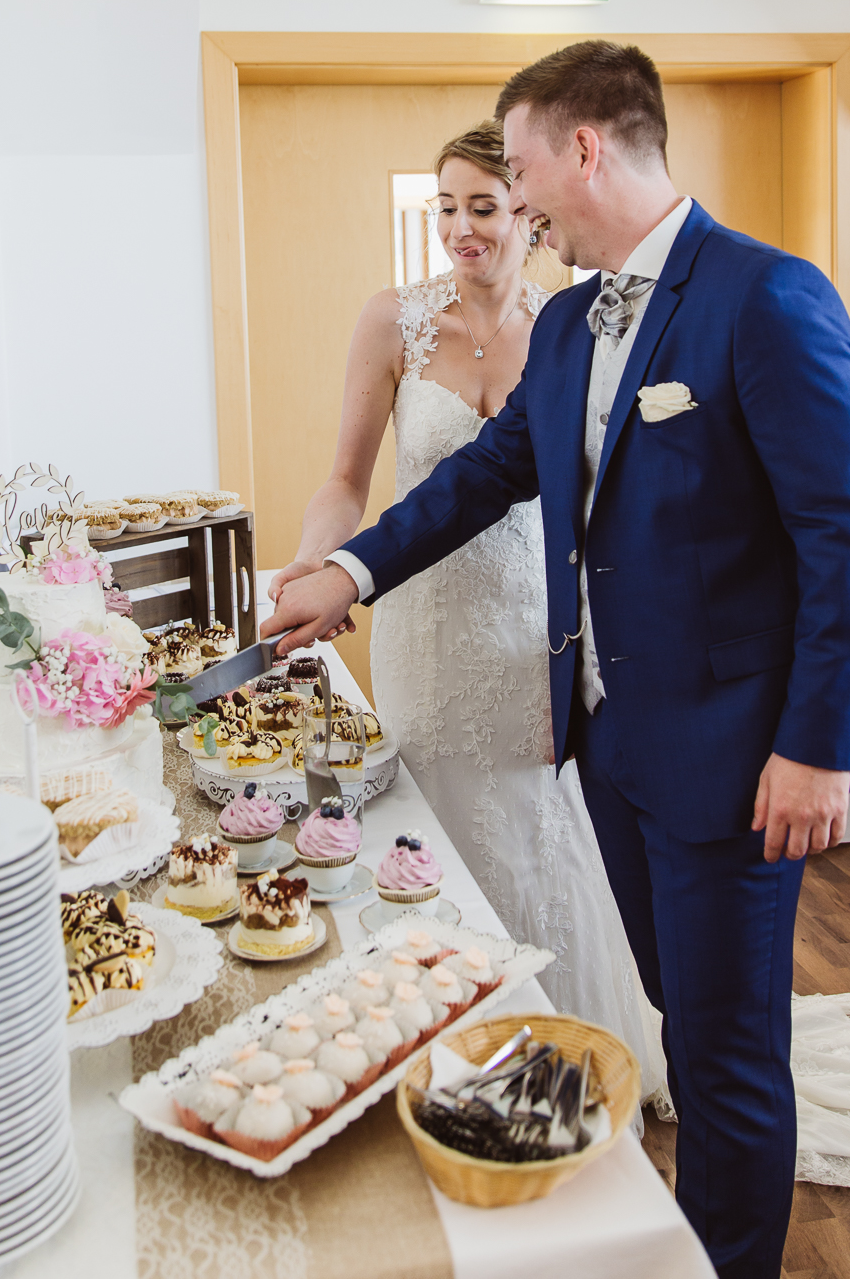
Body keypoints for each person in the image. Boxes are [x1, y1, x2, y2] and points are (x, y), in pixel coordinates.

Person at [262, 41, 850, 1278]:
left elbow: (846, 534)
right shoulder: (569, 325)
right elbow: (488, 480)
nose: (516, 201)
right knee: (676, 1018)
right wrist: (347, 572)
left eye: (524, 167)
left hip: (737, 762)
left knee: (726, 1060)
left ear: (583, 148)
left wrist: (819, 747)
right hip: (610, 752)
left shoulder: (762, 295)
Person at [269, 120, 664, 1092]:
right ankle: (439, 1053)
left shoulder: (574, 322)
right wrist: (319, 562)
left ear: (526, 212)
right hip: (427, 628)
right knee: (426, 832)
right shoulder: (393, 321)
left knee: (535, 829)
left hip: (532, 622)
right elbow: (345, 479)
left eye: (480, 207)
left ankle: (556, 1055)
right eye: (442, 208)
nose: (459, 229)